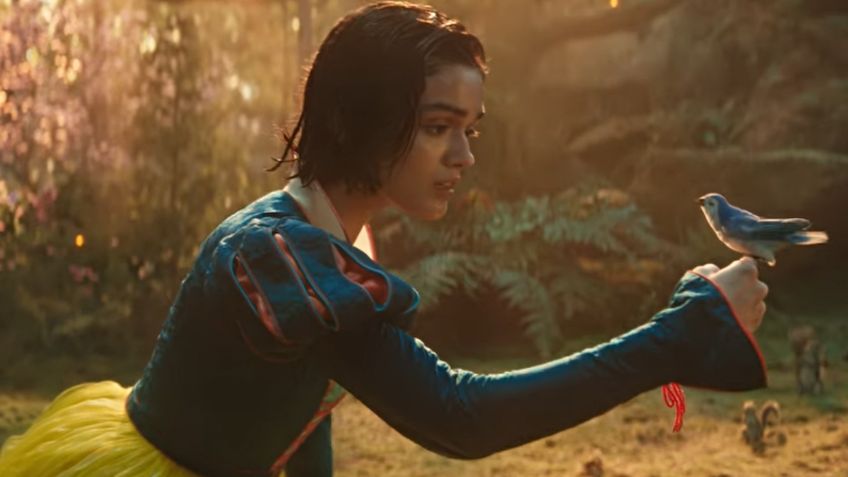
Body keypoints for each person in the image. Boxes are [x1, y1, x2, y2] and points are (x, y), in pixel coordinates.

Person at [0, 2, 769, 476]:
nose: (464, 157)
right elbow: (460, 416)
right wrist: (683, 333)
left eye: (470, 130)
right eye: (438, 127)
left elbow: (308, 408)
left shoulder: (328, 238)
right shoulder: (279, 256)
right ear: (352, 121)